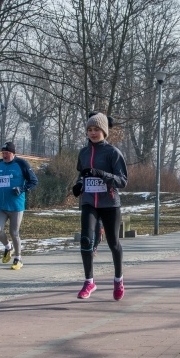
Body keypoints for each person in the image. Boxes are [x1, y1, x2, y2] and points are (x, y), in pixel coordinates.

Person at [71, 112, 128, 300]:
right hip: (89, 202)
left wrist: (101, 174)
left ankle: (118, 279)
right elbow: (82, 174)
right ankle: (89, 282)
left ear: (104, 131)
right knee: (85, 240)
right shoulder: (83, 152)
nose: (93, 133)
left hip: (109, 203)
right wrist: (79, 184)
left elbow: (122, 181)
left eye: (96, 129)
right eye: (89, 129)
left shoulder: (113, 153)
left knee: (113, 243)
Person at [0, 141, 39, 270]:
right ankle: (8, 247)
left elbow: (34, 181)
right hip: (1, 205)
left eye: (7, 153)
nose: (4, 155)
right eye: (3, 153)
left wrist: (21, 189)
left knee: (14, 232)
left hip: (16, 206)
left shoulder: (21, 164)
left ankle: (18, 258)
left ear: (13, 153)